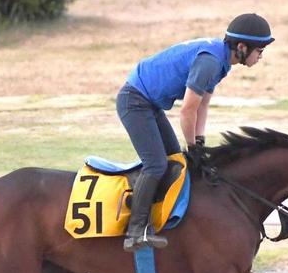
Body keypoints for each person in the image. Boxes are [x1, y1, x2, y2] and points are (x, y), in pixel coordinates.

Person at [117, 13, 275, 252]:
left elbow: (203, 105)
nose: (260, 57)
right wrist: (192, 146)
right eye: (259, 51)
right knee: (157, 165)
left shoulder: (221, 62)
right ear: (242, 47)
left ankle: (163, 220)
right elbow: (187, 110)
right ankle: (135, 230)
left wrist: (199, 143)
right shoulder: (210, 62)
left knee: (176, 161)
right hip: (134, 101)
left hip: (148, 103)